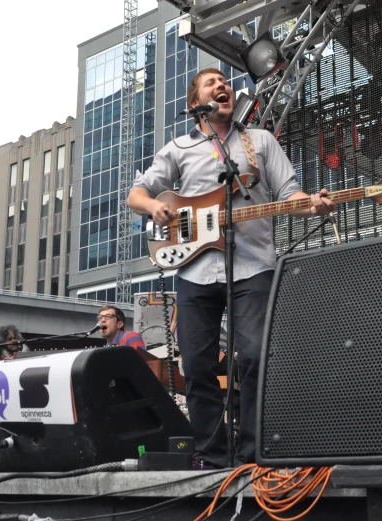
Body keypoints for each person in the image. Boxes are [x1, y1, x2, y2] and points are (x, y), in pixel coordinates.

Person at [126, 68, 333, 467]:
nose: (220, 86)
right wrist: (154, 206)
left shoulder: (260, 142)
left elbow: (290, 193)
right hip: (194, 272)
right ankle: (211, 456)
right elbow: (137, 193)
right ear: (194, 103)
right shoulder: (179, 148)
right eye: (210, 83)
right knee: (198, 366)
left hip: (253, 266)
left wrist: (313, 203)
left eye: (223, 82)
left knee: (254, 357)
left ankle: (256, 455)